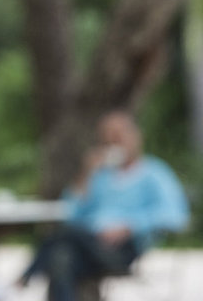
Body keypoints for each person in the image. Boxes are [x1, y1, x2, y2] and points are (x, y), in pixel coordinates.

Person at [18, 111, 189, 301]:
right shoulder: (100, 177)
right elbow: (70, 212)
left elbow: (175, 216)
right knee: (61, 258)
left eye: (118, 138)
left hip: (122, 250)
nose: (113, 145)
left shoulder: (154, 174)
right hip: (87, 247)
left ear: (135, 136)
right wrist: (85, 175)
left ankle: (28, 274)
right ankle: (30, 274)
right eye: (107, 141)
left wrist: (128, 226)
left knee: (68, 235)